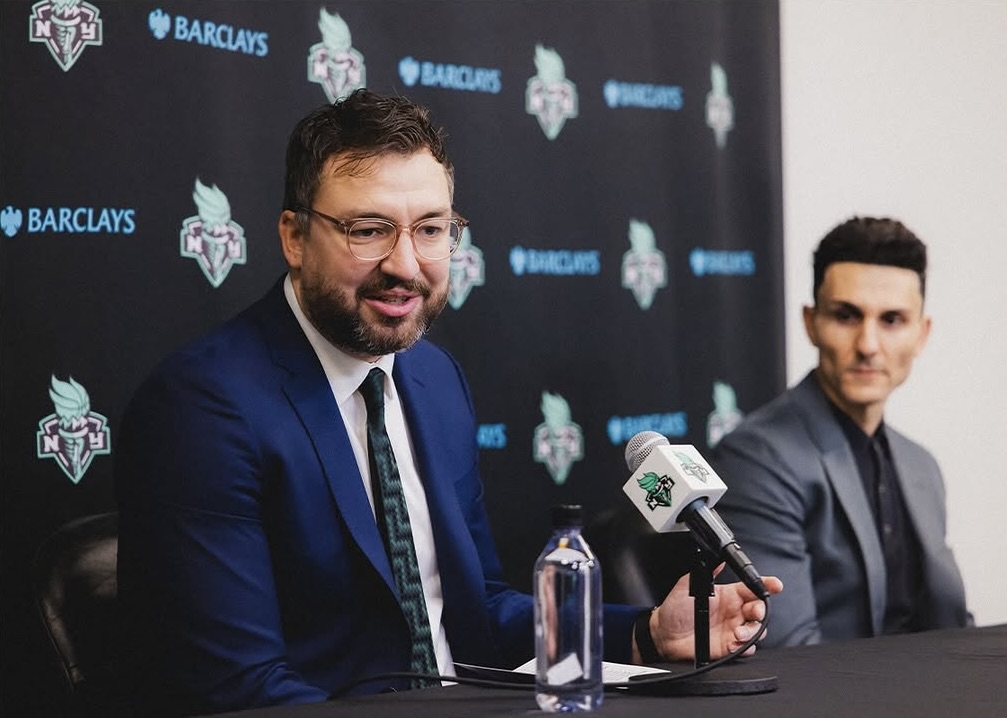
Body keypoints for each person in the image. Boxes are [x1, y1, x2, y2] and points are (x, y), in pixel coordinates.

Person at [115, 89, 781, 716]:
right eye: (369, 230)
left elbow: (475, 611)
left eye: (431, 229)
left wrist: (643, 635)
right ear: (294, 236)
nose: (406, 264)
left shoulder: (432, 378)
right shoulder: (202, 407)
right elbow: (241, 688)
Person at [711, 216, 971, 648]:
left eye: (892, 320)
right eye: (846, 316)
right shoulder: (756, 459)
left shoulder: (921, 465)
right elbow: (788, 655)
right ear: (811, 322)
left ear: (921, 334)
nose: (868, 344)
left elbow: (952, 628)